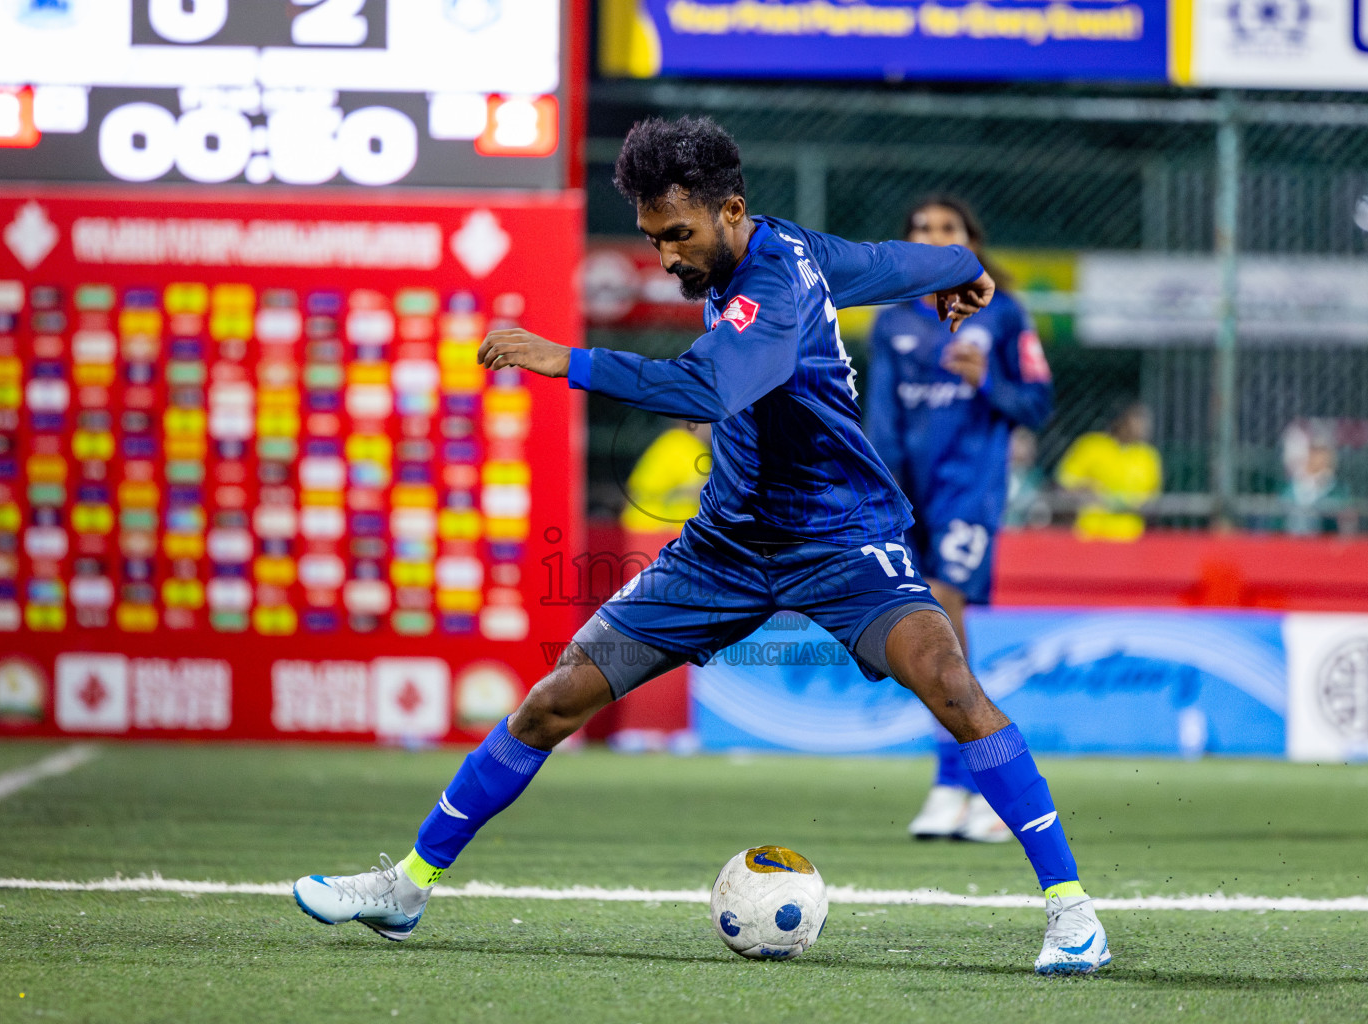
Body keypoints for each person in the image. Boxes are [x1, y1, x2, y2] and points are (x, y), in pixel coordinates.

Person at [292, 117, 1110, 975]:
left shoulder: (775, 285)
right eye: (652, 241)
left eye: (678, 236)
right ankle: (408, 887)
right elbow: (893, 261)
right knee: (554, 699)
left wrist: (561, 359)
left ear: (730, 210)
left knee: (949, 681)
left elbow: (710, 386)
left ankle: (1072, 912)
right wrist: (964, 269)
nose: (667, 258)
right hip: (724, 547)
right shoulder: (794, 245)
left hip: (841, 535)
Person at [866, 195, 1053, 844]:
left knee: (943, 609)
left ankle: (957, 780)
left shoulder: (1002, 314)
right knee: (923, 622)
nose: (933, 238)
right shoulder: (891, 324)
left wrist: (986, 384)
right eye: (921, 230)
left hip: (969, 488)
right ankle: (968, 785)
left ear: (970, 241)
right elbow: (882, 421)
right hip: (906, 493)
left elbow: (1036, 402)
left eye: (947, 230)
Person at [1055, 400, 1161, 541]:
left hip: (1130, 540)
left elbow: (1153, 501)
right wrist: (1086, 491)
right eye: (1137, 417)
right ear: (1121, 419)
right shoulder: (1091, 446)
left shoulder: (1148, 456)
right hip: (1089, 537)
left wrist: (1128, 504)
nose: (1145, 425)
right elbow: (1062, 486)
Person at [620, 421, 711, 533]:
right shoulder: (692, 449)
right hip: (661, 530)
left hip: (637, 525)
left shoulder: (666, 442)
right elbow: (703, 492)